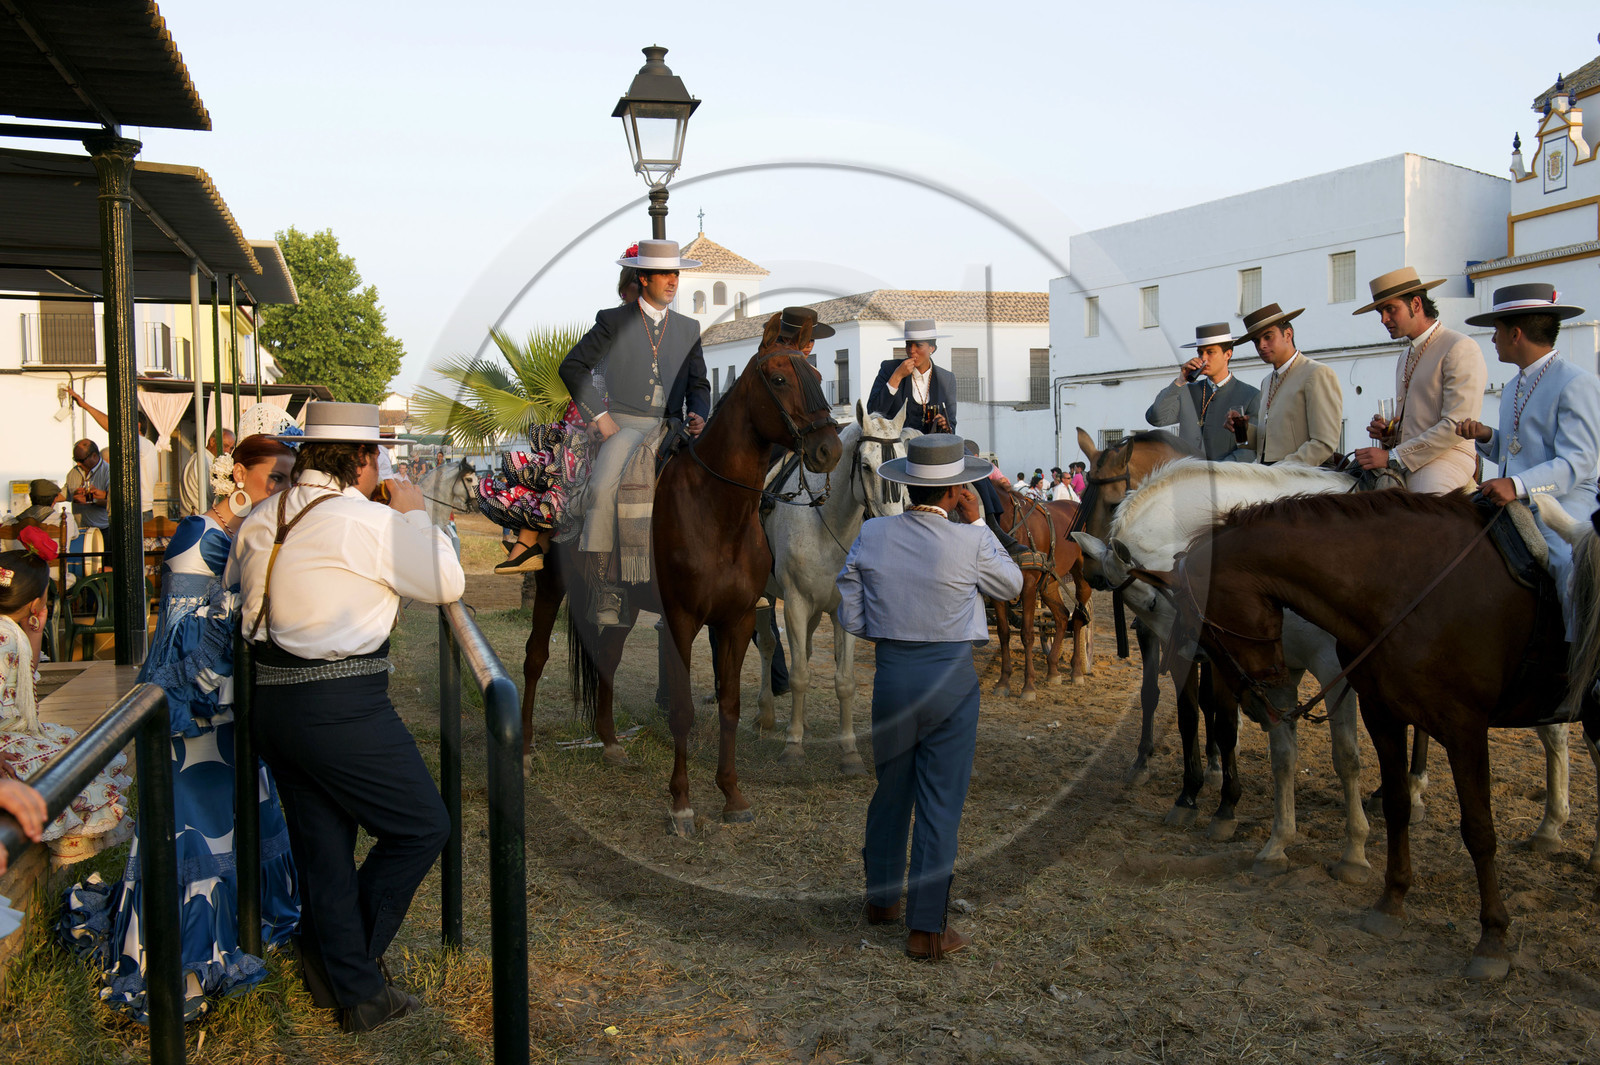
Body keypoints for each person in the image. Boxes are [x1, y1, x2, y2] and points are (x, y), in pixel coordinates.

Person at [231, 402, 465, 1033]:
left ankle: (356, 991)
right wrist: (414, 513)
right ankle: (341, 962)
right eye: (378, 456)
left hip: (272, 704)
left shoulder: (263, 514)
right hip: (340, 704)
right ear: (361, 460)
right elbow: (446, 580)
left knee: (326, 851)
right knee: (422, 827)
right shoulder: (363, 521)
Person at [63, 432, 302, 1022]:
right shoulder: (202, 533)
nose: (284, 488)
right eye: (274, 477)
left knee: (246, 812)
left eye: (290, 478)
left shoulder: (256, 533)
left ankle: (244, 928)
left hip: (232, 705)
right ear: (237, 475)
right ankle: (187, 951)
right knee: (194, 827)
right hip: (192, 709)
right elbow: (184, 634)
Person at [839, 435, 1021, 960]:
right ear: (957, 490)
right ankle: (926, 929)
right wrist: (980, 522)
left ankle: (881, 899)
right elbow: (1009, 586)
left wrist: (890, 627)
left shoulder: (872, 533)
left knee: (891, 789)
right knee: (940, 803)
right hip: (949, 680)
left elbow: (850, 611)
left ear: (908, 481)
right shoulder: (970, 541)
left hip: (893, 676)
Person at [556, 239, 711, 623]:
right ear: (643, 278)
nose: (672, 281)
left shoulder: (689, 327)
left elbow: (699, 384)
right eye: (664, 274)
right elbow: (572, 367)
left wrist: (700, 414)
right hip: (623, 425)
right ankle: (606, 588)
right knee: (602, 488)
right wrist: (598, 415)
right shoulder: (614, 320)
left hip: (672, 429)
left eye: (675, 274)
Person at [1456, 283, 1600, 639]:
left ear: (1515, 334)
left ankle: (1577, 662)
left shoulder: (1577, 383)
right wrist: (1488, 437)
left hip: (1565, 501)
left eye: (1497, 331)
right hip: (1511, 497)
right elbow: (1519, 450)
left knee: (1571, 566)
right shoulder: (1513, 386)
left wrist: (1517, 486)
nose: (1493, 340)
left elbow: (1578, 461)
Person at [0, 528, 131, 864]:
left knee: (70, 747)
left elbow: (21, 687)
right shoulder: (7, 637)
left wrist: (36, 628)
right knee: (65, 766)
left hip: (9, 734)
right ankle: (74, 850)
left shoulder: (12, 632)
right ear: (35, 601)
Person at [1350, 267, 1487, 493]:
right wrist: (1389, 433)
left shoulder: (1459, 346)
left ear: (1415, 304)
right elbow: (1416, 423)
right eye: (1380, 312)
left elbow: (1456, 425)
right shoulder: (1405, 355)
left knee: (1417, 512)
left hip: (1446, 459)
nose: (1384, 319)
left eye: (1390, 309)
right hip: (1407, 459)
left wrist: (1392, 456)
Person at [1224, 302, 1342, 466]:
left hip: (1305, 480)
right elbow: (1271, 443)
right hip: (1271, 477)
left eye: (1268, 337)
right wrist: (1243, 429)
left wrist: (1281, 471)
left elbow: (1324, 444)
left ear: (1288, 334)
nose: (1261, 345)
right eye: (1256, 341)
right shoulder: (1267, 381)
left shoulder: (1316, 373)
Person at [1145, 322, 1260, 461]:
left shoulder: (1250, 396)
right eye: (1200, 352)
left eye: (1210, 352)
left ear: (1227, 354)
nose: (1203, 358)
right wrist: (1180, 380)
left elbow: (1249, 450)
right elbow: (1156, 418)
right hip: (1187, 476)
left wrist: (1217, 472)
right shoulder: (1187, 391)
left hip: (1226, 479)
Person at [66, 388, 158, 520]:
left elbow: (113, 428)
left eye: (124, 423)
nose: (120, 427)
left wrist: (85, 406)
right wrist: (102, 495)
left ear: (136, 426)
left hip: (133, 513)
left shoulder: (142, 444)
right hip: (132, 511)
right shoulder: (141, 448)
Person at [867, 320, 958, 434]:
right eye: (908, 345)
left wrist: (945, 424)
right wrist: (897, 376)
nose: (911, 351)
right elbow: (873, 413)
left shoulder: (946, 379)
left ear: (932, 348)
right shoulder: (889, 369)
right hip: (897, 446)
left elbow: (952, 426)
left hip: (933, 446)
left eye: (918, 345)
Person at [179, 427, 235, 517]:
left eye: (231, 448)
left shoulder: (201, 459)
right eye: (225, 446)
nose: (228, 452)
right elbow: (215, 494)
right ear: (212, 442)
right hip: (198, 519)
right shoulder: (204, 461)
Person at [65, 438, 109, 532]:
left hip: (101, 529)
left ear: (94, 456)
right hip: (79, 529)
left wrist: (90, 500)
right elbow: (66, 493)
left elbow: (114, 502)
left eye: (81, 460)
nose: (78, 463)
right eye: (75, 459)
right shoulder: (74, 472)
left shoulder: (108, 472)